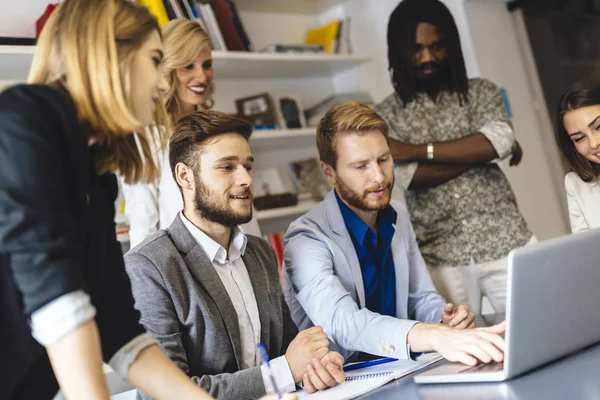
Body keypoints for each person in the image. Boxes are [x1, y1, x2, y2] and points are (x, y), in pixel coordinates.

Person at [0, 1, 215, 399]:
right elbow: (56, 300)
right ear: (111, 56)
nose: (165, 84)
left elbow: (120, 332)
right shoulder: (24, 119)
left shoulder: (96, 176)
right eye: (155, 60)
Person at [124, 111, 345, 399]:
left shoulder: (260, 252)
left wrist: (317, 366)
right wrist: (285, 372)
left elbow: (288, 351)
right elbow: (166, 391)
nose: (245, 179)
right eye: (227, 167)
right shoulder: (148, 266)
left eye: (248, 166)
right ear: (185, 176)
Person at [283, 102, 505, 367]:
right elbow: (343, 323)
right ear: (329, 172)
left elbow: (421, 298)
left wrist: (445, 319)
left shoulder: (397, 214)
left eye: (383, 160)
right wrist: (433, 335)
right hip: (342, 381)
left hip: (400, 367)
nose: (379, 177)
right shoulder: (305, 239)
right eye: (360, 166)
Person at [374, 0, 535, 316]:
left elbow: (498, 140)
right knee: (463, 356)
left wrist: (417, 151)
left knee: (539, 330)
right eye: (416, 49)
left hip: (505, 239)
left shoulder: (481, 92)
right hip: (442, 258)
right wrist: (481, 152)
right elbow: (407, 176)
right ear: (398, 52)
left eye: (437, 47)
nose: (428, 58)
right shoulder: (385, 115)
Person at [121, 18, 216, 247]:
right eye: (188, 66)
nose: (202, 77)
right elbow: (143, 222)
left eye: (206, 64)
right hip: (180, 269)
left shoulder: (216, 129)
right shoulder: (145, 136)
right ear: (168, 69)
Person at [554, 79, 600, 233]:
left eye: (598, 127)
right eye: (579, 138)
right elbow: (586, 251)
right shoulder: (576, 185)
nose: (593, 143)